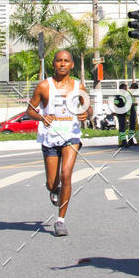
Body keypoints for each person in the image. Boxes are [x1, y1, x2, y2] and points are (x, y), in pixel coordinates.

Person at [25, 49, 90, 237]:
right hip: (50, 136)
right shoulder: (44, 86)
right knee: (52, 182)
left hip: (71, 134)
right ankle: (55, 190)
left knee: (66, 174)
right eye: (59, 61)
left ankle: (60, 220)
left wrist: (86, 113)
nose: (62, 64)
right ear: (53, 63)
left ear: (72, 64)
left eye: (66, 61)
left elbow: (88, 109)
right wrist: (41, 117)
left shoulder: (78, 86)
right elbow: (29, 110)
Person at [127, 81, 139, 145]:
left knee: (135, 127)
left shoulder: (131, 94)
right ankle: (131, 140)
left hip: (133, 112)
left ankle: (137, 140)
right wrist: (135, 103)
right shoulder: (128, 94)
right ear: (132, 88)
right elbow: (128, 103)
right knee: (133, 127)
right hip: (130, 113)